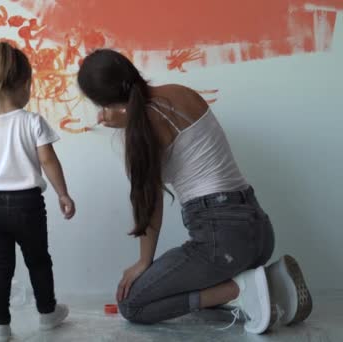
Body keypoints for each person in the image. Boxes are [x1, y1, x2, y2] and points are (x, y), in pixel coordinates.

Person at [76, 49, 312, 334]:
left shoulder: (143, 130)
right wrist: (128, 121)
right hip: (259, 233)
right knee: (187, 286)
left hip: (222, 240)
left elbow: (149, 203)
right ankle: (267, 283)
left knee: (134, 305)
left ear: (104, 103)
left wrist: (143, 262)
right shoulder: (180, 92)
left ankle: (237, 289)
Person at [0, 41, 75, 342]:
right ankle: (47, 315)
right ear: (26, 84)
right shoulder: (32, 122)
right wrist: (63, 194)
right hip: (27, 205)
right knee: (38, 260)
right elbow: (48, 160)